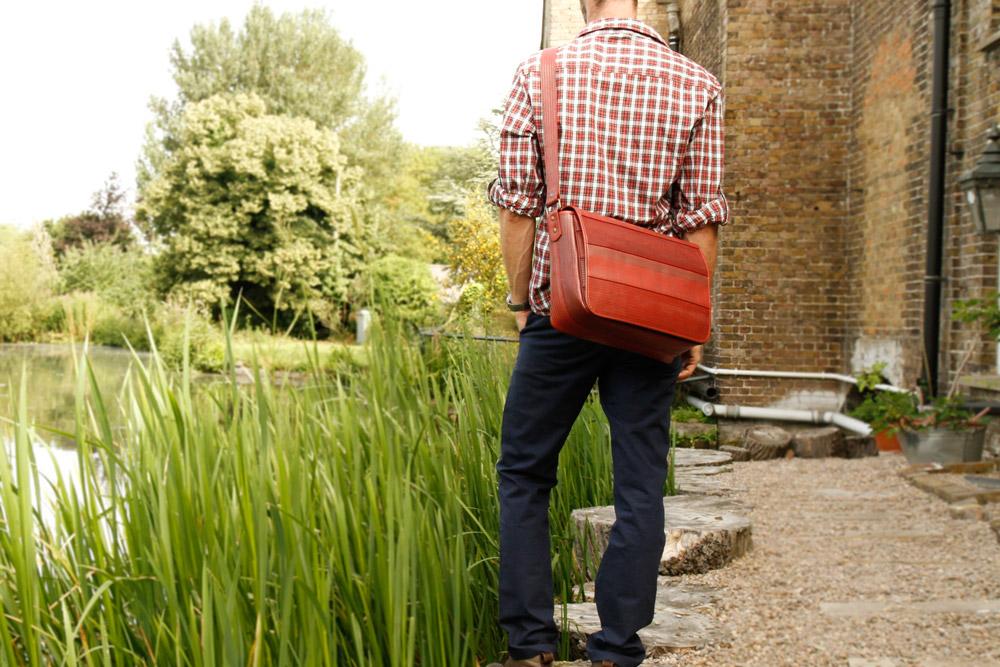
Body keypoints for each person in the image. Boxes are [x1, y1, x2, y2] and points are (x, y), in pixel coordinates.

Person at [484, 0, 730, 665]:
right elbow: (700, 222)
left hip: (560, 307)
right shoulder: (697, 83)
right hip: (651, 318)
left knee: (526, 471)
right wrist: (687, 323)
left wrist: (520, 298)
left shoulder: (540, 74)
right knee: (640, 486)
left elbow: (516, 206)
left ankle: (530, 645)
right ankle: (617, 649)